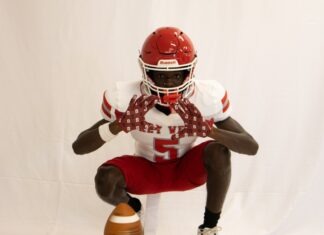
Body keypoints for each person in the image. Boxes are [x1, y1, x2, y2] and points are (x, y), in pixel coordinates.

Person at [72, 27, 258, 235]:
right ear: (147, 71)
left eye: (176, 75)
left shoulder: (206, 97)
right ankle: (133, 208)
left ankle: (209, 227)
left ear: (189, 71)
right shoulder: (126, 98)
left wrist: (210, 131)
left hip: (185, 168)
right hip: (146, 168)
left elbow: (251, 146)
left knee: (218, 151)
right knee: (106, 179)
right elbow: (79, 147)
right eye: (161, 75)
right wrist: (119, 125)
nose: (169, 82)